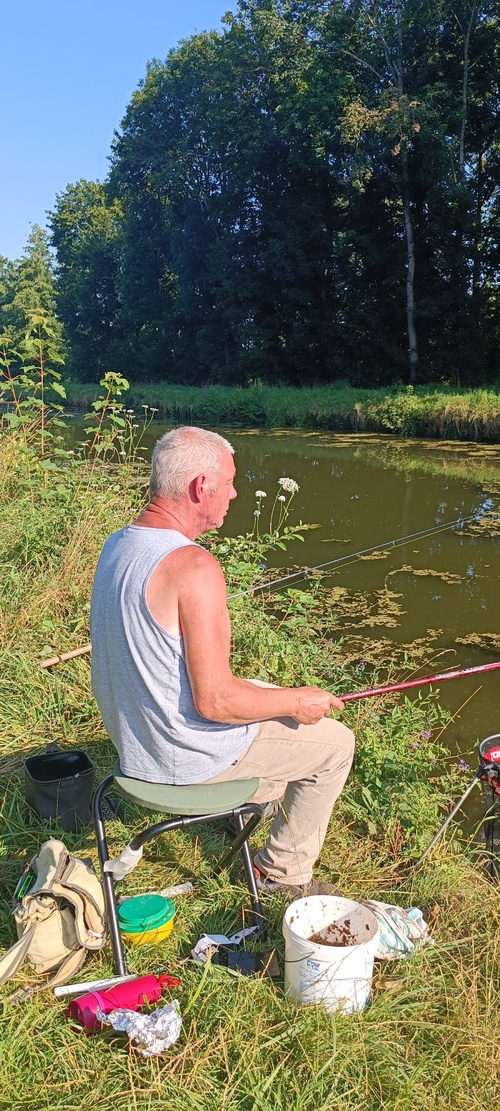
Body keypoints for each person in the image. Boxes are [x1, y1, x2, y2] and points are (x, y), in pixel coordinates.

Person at [90, 426, 354, 898]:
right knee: (335, 744)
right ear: (200, 488)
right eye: (229, 481)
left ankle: (264, 801)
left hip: (135, 743)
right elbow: (213, 701)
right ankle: (281, 874)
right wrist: (294, 701)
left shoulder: (119, 544)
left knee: (262, 691)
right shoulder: (193, 566)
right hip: (177, 759)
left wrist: (277, 698)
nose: (234, 492)